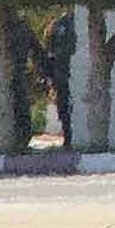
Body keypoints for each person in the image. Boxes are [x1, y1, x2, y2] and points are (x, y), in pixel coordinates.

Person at [45, 10, 76, 148]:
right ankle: (68, 136)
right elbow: (50, 50)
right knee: (64, 106)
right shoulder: (60, 24)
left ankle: (68, 136)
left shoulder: (58, 24)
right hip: (63, 72)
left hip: (61, 73)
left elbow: (49, 50)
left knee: (64, 105)